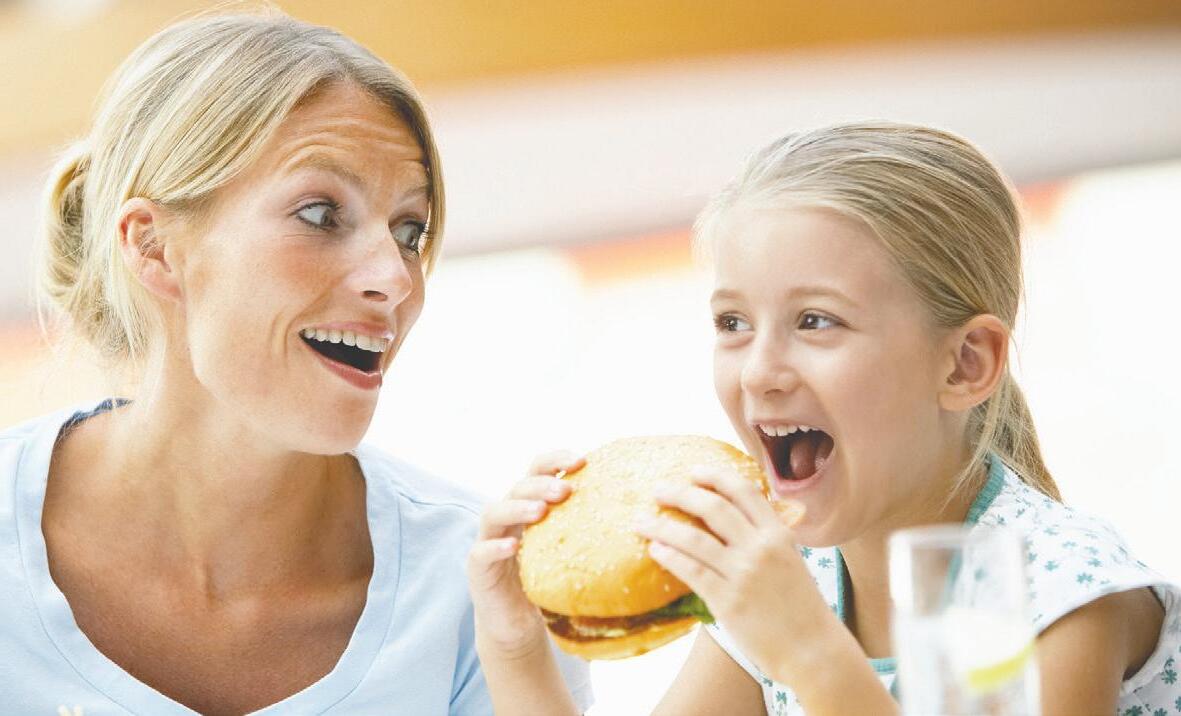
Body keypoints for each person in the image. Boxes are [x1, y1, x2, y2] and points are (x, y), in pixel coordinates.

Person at [467, 122, 1180, 714]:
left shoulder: (1057, 594)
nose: (759, 372)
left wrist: (809, 652)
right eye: (733, 322)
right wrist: (514, 648)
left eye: (815, 320)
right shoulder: (788, 574)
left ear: (964, 364)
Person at [0, 11, 591, 715]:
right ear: (154, 247)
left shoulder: (484, 598)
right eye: (320, 215)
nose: (395, 279)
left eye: (409, 231)